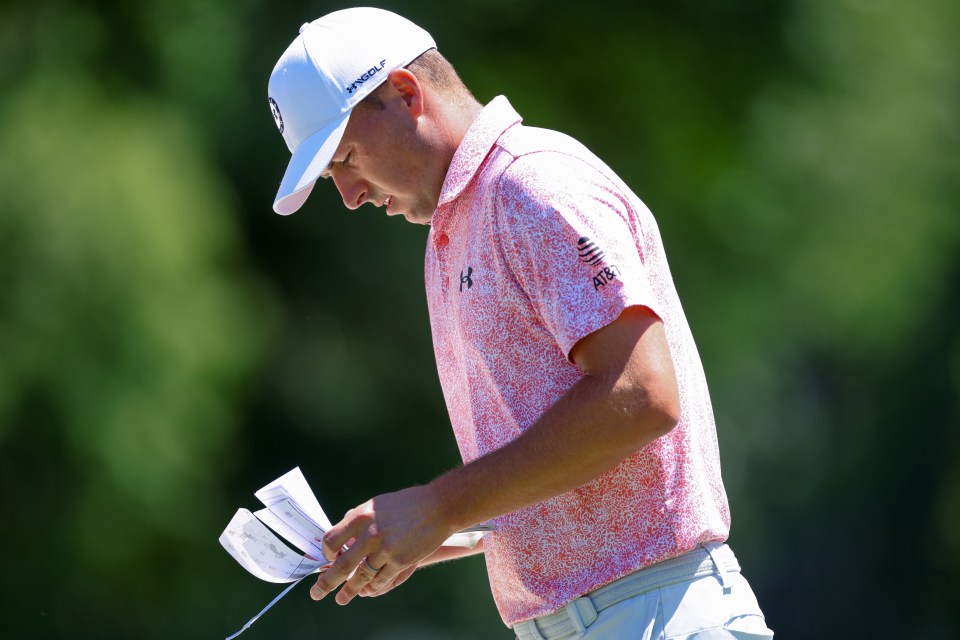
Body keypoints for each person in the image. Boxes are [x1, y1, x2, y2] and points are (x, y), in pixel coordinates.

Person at [266, 8, 773, 639]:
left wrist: (438, 504)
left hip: (654, 613)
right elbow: (565, 464)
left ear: (404, 93)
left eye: (345, 157)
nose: (349, 195)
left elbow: (642, 396)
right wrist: (428, 532)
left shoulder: (531, 186)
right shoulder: (456, 231)